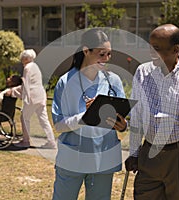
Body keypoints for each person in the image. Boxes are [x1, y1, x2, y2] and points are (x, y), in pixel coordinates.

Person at [125, 24, 179, 200]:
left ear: (175, 49)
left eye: (156, 49)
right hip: (149, 154)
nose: (151, 53)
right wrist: (134, 152)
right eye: (150, 47)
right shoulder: (143, 73)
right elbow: (136, 118)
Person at [51, 28, 128, 200]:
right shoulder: (66, 82)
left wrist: (123, 126)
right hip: (72, 158)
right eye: (102, 54)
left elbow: (121, 117)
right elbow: (58, 125)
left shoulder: (113, 80)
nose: (106, 59)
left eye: (109, 54)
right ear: (86, 51)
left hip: (103, 158)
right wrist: (84, 117)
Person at [8, 49, 57, 149]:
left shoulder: (27, 68)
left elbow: (26, 85)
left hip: (33, 97)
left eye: (22, 58)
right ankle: (51, 142)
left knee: (24, 118)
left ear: (26, 58)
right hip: (40, 96)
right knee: (44, 120)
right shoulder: (35, 66)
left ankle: (25, 141)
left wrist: (15, 92)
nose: (21, 60)